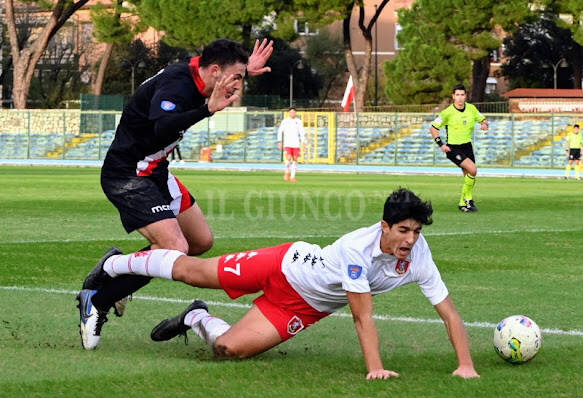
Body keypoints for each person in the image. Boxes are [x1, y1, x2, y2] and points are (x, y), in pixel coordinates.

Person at [80, 188, 480, 380]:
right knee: (192, 270)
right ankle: (114, 264)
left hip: (303, 306)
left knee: (228, 350)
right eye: (403, 231)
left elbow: (448, 311)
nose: (410, 240)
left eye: (416, 232)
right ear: (385, 227)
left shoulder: (418, 253)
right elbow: (362, 317)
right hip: (285, 265)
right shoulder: (359, 250)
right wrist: (375, 369)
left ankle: (196, 317)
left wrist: (465, 365)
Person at [76, 38, 274, 350]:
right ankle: (97, 300)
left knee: (199, 242)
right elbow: (161, 127)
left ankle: (117, 265)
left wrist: (243, 69)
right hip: (128, 173)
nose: (238, 85)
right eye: (235, 77)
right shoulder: (176, 85)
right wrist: (207, 110)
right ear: (214, 70)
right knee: (174, 245)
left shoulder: (204, 71)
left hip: (156, 170)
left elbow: (216, 70)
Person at [430, 84, 488, 212]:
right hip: (453, 148)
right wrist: (441, 144)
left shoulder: (471, 109)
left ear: (465, 96)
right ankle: (469, 200)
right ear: (453, 96)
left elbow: (482, 119)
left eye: (462, 95)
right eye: (457, 95)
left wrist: (484, 124)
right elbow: (433, 128)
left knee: (469, 175)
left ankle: (463, 204)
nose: (460, 98)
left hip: (467, 146)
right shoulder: (447, 112)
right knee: (473, 170)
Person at [277, 107, 305, 182]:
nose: (292, 113)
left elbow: (302, 132)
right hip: (287, 143)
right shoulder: (285, 121)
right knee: (288, 158)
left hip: (296, 144)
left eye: (294, 112)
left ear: (296, 113)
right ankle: (287, 172)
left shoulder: (298, 121)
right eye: (291, 112)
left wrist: (303, 142)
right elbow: (280, 131)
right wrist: (279, 141)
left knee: (295, 159)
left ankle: (292, 177)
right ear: (289, 113)